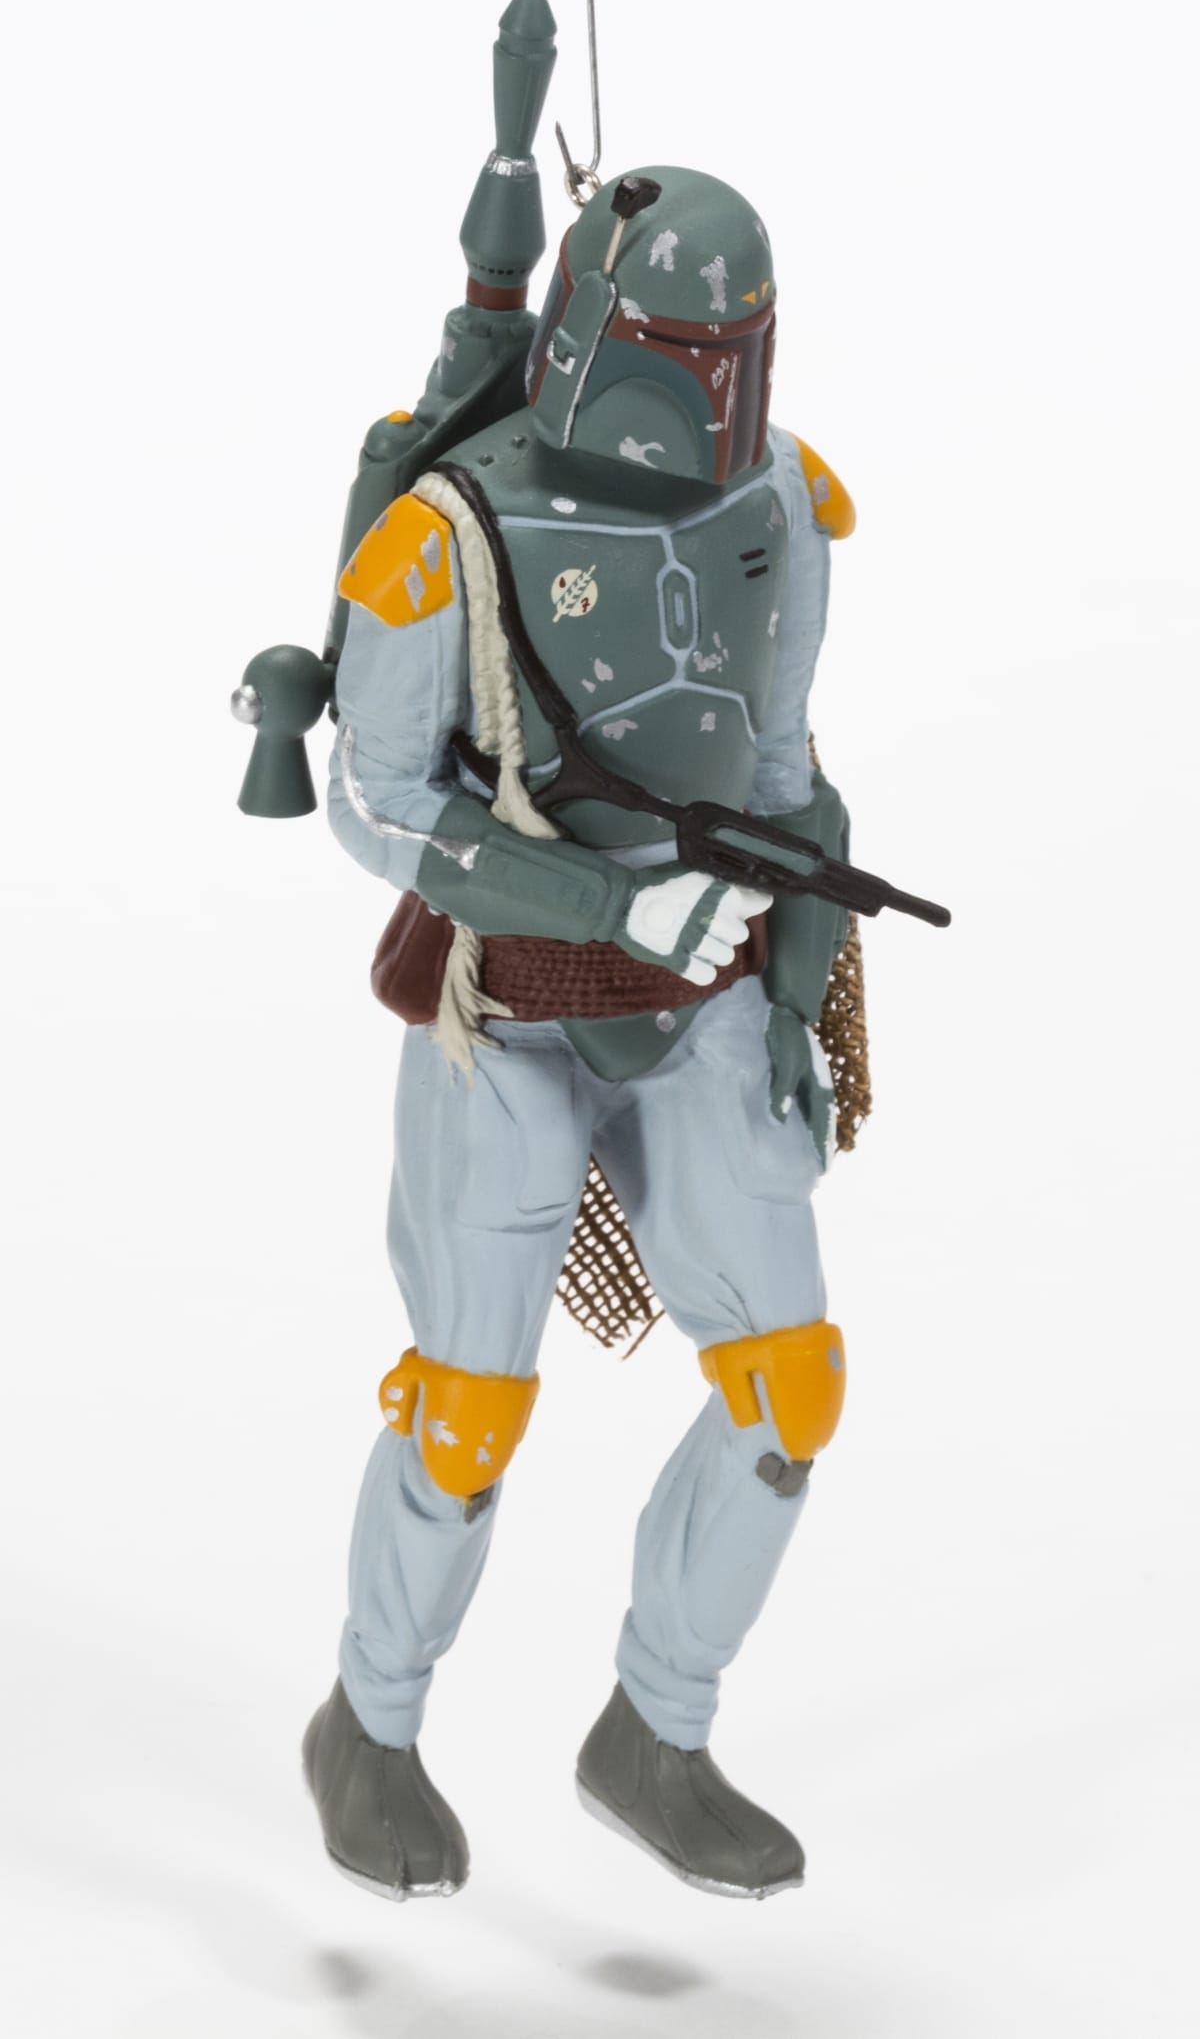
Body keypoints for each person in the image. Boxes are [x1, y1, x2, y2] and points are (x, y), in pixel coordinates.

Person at [302, 166, 856, 1902]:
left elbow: (785, 774)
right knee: (466, 1407)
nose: (716, 390)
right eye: (691, 352)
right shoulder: (444, 541)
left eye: (736, 353)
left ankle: (658, 1731)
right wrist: (606, 909)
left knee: (789, 1385)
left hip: (706, 992)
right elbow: (376, 802)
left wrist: (795, 992)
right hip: (512, 1001)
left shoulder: (785, 498)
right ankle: (369, 1726)